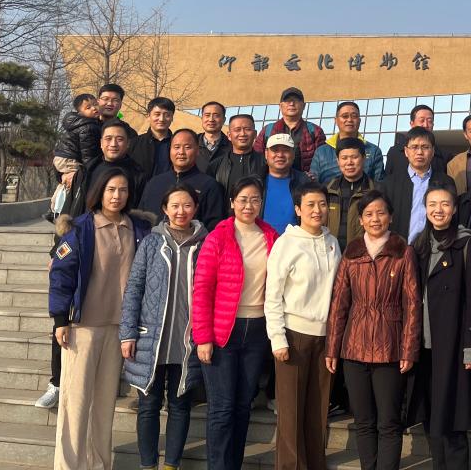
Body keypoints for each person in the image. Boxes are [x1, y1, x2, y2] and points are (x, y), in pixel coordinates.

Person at [48, 170, 154, 470]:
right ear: (99, 192)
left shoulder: (138, 229)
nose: (117, 195)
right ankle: (69, 464)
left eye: (123, 189)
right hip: (83, 327)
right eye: (111, 189)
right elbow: (61, 275)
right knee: (76, 401)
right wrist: (60, 319)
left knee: (105, 404)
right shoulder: (81, 228)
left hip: (120, 329)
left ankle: (99, 464)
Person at [326, 190, 422, 470]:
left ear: (390, 216)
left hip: (389, 348)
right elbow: (339, 303)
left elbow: (412, 304)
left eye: (381, 212)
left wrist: (409, 350)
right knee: (363, 421)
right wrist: (332, 348)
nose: (375, 219)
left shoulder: (403, 252)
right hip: (354, 348)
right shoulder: (352, 252)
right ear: (361, 220)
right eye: (368, 214)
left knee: (389, 422)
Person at [193, 176, 279, 470]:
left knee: (243, 406)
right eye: (242, 199)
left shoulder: (271, 237)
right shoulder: (217, 238)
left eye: (255, 199)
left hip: (256, 331)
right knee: (222, 408)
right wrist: (203, 337)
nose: (248, 205)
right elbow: (202, 289)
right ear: (232, 203)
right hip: (222, 333)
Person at [119, 183, 207, 470]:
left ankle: (171, 465)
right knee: (148, 406)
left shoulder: (204, 245)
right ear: (165, 209)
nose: (181, 211)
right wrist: (128, 333)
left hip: (186, 340)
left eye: (187, 205)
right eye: (175, 206)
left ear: (195, 208)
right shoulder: (151, 243)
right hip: (151, 339)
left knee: (180, 406)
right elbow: (134, 288)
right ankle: (148, 465)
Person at [265, 182, 342, 470]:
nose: (317, 210)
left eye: (322, 204)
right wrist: (277, 338)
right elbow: (272, 294)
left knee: (317, 412)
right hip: (293, 336)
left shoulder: (333, 243)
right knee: (291, 413)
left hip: (324, 338)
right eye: (310, 204)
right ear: (298, 209)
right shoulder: (286, 244)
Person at [408, 184, 471, 470]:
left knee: (452, 417)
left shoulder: (465, 245)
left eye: (444, 204)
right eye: (432, 205)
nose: (438, 210)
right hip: (423, 347)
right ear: (425, 209)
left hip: (452, 345)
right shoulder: (418, 246)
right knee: (431, 416)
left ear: (454, 210)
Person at [141, 128, 227, 230]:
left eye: (187, 147)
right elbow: (141, 218)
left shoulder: (210, 186)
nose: (181, 152)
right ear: (170, 150)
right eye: (176, 147)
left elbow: (214, 227)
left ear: (197, 151)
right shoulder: (154, 183)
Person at [380, 126, 456, 243]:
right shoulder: (389, 184)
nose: (419, 152)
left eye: (425, 147)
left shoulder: (446, 182)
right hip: (399, 247)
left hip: (435, 248)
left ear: (433, 151)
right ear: (406, 151)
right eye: (414, 147)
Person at [253, 87, 327, 175]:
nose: (292, 104)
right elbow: (257, 158)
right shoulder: (268, 130)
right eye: (287, 101)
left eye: (296, 100)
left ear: (304, 106)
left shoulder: (315, 131)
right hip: (275, 179)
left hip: (305, 181)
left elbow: (322, 160)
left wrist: (312, 175)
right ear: (280, 106)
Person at [311, 101, 386, 184]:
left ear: (359, 121)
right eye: (345, 116)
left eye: (354, 116)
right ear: (336, 120)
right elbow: (313, 183)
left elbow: (379, 184)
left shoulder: (373, 151)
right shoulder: (321, 152)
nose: (350, 120)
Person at [322, 137, 377, 251]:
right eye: (344, 158)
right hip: (330, 252)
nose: (349, 162)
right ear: (338, 161)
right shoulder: (327, 189)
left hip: (363, 253)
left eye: (354, 157)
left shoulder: (375, 190)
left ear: (363, 158)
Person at [210, 113, 267, 206]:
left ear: (255, 134)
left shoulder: (265, 163)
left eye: (247, 129)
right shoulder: (216, 165)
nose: (242, 134)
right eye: (237, 130)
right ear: (229, 135)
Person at [261, 133, 310, 234]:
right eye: (275, 150)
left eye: (286, 150)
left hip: (296, 241)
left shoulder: (305, 182)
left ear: (293, 154)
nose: (280, 155)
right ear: (266, 153)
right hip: (261, 241)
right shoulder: (255, 182)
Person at [384, 104, 450, 177]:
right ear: (412, 124)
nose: (426, 125)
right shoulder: (395, 152)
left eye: (430, 121)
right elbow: (387, 180)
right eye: (422, 120)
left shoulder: (444, 156)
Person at [52, 93, 102, 190]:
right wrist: (90, 169)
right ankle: (62, 197)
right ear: (80, 113)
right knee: (77, 182)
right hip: (69, 159)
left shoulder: (86, 124)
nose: (94, 108)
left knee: (71, 182)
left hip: (63, 157)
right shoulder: (87, 127)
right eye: (88, 108)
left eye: (95, 104)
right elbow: (87, 152)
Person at [130, 96, 175, 177]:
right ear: (148, 116)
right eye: (157, 114)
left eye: (167, 115)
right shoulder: (134, 144)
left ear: (172, 118)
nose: (161, 119)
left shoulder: (178, 145)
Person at [197, 101, 232, 173]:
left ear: (224, 120)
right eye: (207, 115)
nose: (211, 119)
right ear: (202, 118)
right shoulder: (191, 143)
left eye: (216, 116)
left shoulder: (233, 147)